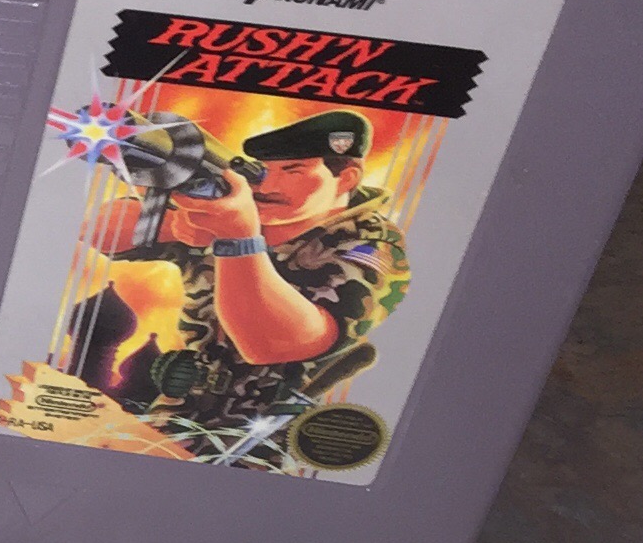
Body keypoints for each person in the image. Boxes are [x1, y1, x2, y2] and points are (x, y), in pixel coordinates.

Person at [73, 110, 411, 446]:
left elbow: (272, 345)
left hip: (275, 441)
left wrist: (238, 240)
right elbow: (97, 228)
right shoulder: (242, 211)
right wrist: (174, 226)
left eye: (292, 170)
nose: (268, 185)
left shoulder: (372, 245)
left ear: (346, 179)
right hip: (175, 420)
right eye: (264, 170)